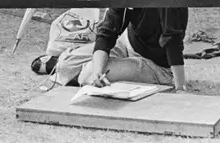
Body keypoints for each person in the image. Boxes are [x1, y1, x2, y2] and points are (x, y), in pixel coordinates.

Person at [56, 8, 189, 92]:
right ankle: (89, 68)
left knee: (87, 76)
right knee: (64, 66)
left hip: (155, 64)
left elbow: (172, 42)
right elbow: (107, 33)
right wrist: (98, 70)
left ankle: (88, 70)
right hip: (127, 43)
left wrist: (180, 87)